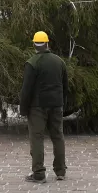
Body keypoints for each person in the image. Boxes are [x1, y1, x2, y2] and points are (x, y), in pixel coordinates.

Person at [19, 31, 68, 183]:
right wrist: (62, 103)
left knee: (37, 138)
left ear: (34, 44)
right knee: (58, 136)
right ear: (47, 43)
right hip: (56, 104)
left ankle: (39, 173)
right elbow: (65, 86)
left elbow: (26, 89)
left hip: (38, 107)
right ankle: (60, 171)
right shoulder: (59, 62)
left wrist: (23, 109)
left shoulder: (32, 63)